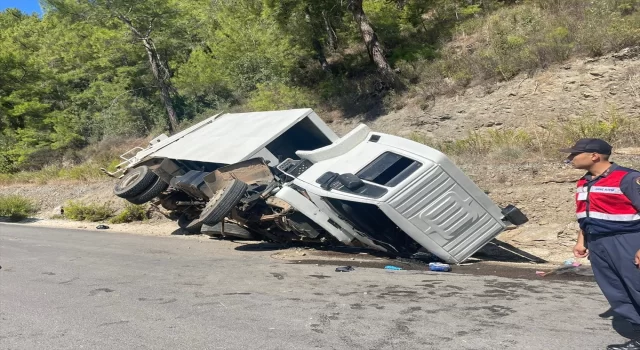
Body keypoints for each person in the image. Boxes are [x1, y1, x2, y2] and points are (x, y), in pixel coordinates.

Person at [561, 138, 640, 350]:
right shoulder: (584, 182)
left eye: (574, 154)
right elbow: (585, 215)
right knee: (616, 290)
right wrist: (581, 240)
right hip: (597, 242)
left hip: (628, 241)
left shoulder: (628, 178)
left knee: (637, 287)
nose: (570, 158)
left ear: (594, 156)